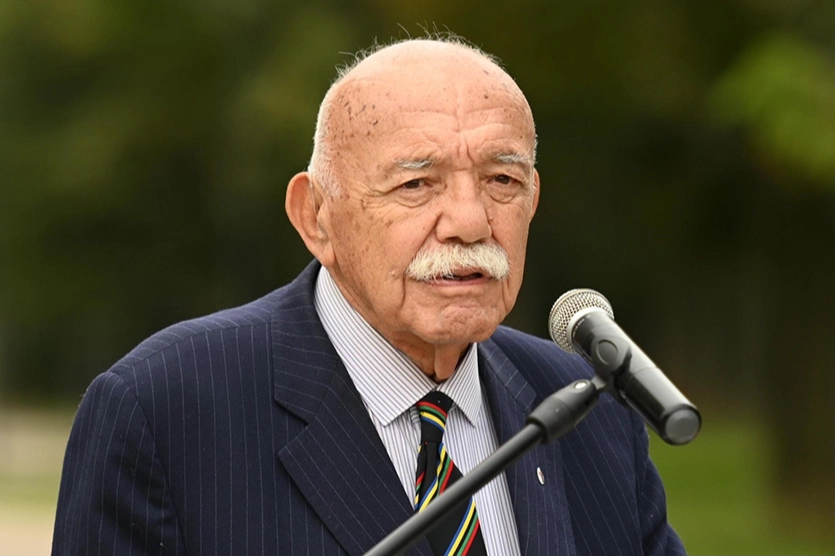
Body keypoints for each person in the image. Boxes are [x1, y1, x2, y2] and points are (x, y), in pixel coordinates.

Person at [52, 36, 686, 557]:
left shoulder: (591, 413)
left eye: (501, 179)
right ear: (316, 217)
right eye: (416, 184)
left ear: (533, 200)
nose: (470, 221)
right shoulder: (164, 411)